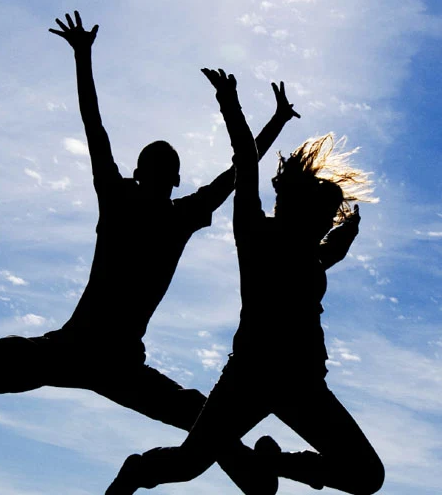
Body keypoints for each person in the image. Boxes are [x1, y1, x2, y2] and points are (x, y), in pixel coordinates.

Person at [0, 12, 314, 495]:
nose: (159, 175)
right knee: (7, 362)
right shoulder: (145, 205)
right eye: (157, 167)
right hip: (87, 348)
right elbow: (106, 132)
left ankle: (249, 471)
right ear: (147, 174)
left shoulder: (159, 208)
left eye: (163, 169)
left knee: (183, 407)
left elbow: (233, 168)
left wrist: (275, 121)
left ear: (160, 176)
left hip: (109, 356)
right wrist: (82, 58)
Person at [106, 69, 384, 495]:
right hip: (248, 379)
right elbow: (246, 162)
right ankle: (137, 471)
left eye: (330, 220)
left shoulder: (309, 255)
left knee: (366, 475)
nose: (329, 224)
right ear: (300, 211)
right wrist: (230, 104)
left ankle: (270, 462)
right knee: (187, 464)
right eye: (326, 218)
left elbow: (330, 253)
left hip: (303, 386)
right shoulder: (255, 234)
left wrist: (347, 235)